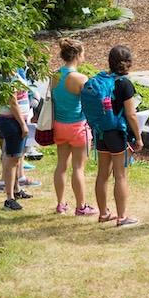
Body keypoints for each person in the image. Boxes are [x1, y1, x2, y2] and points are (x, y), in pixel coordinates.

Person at [92, 46, 144, 227]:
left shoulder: (101, 80)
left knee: (102, 174)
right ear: (128, 63)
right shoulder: (124, 84)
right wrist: (138, 137)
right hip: (117, 133)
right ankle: (122, 217)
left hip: (100, 132)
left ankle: (104, 213)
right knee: (120, 175)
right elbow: (131, 114)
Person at [51, 38, 98, 216]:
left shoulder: (54, 75)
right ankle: (81, 206)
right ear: (78, 55)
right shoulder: (80, 78)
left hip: (59, 125)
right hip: (78, 126)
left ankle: (60, 204)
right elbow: (91, 102)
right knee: (78, 168)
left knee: (61, 165)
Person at [0, 73, 32, 211]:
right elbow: (12, 102)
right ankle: (9, 198)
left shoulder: (14, 73)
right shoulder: (6, 76)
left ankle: (17, 190)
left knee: (17, 157)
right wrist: (22, 125)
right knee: (12, 159)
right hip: (12, 121)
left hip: (17, 120)